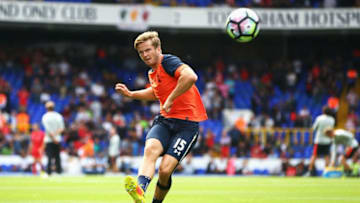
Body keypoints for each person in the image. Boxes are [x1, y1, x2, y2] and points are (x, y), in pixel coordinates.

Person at [115, 31, 207, 203]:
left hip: (187, 126)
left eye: (148, 50)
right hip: (165, 120)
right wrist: (131, 94)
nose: (145, 55)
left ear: (158, 49)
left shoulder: (168, 61)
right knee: (150, 150)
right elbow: (156, 92)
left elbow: (190, 76)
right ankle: (140, 191)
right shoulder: (152, 72)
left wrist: (170, 99)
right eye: (141, 52)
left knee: (165, 171)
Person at [307, 106, 335, 176]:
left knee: (314, 156)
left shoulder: (319, 118)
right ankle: (326, 173)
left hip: (318, 140)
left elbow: (314, 128)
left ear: (323, 111)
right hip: (327, 141)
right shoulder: (332, 119)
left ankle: (309, 171)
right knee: (326, 157)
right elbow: (330, 130)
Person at [42, 101, 65, 176]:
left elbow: (48, 130)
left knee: (49, 156)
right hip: (58, 139)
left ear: (46, 108)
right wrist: (55, 137)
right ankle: (59, 172)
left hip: (49, 139)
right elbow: (62, 128)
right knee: (57, 156)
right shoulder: (58, 116)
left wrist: (53, 137)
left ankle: (49, 172)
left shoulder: (45, 116)